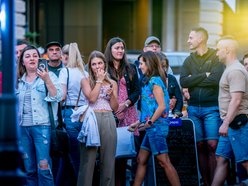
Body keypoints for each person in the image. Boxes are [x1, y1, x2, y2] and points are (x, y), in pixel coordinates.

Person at [180, 27, 224, 186]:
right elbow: (183, 81)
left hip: (211, 108)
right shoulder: (188, 60)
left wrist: (194, 79)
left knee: (212, 145)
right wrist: (204, 75)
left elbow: (215, 79)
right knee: (199, 145)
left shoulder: (215, 56)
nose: (188, 41)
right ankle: (205, 183)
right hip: (193, 109)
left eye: (191, 38)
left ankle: (214, 183)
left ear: (200, 39)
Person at [131, 51, 180, 186]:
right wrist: (138, 123)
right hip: (151, 127)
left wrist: (149, 122)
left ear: (149, 63)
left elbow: (162, 106)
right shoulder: (148, 80)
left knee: (164, 162)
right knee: (141, 159)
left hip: (156, 128)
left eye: (141, 63)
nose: (139, 66)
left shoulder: (155, 81)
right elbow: (149, 108)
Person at [16, 45, 63, 185]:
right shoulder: (18, 81)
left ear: (40, 59)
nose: (32, 58)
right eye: (28, 56)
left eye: (35, 56)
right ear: (22, 61)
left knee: (43, 168)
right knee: (29, 169)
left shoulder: (49, 76)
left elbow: (58, 97)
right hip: (23, 128)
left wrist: (47, 80)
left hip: (42, 127)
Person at [77, 50, 118, 186]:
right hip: (91, 119)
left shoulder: (112, 82)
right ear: (90, 67)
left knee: (108, 160)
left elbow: (115, 107)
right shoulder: (85, 81)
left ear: (105, 65)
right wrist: (99, 81)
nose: (97, 66)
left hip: (108, 118)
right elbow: (92, 98)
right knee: (88, 160)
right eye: (94, 64)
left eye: (100, 63)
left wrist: (111, 94)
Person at [211, 37, 248, 186]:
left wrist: (225, 123)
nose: (217, 53)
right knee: (221, 158)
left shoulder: (236, 70)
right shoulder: (230, 69)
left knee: (245, 161)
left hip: (237, 123)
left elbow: (236, 100)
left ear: (228, 50)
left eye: (219, 49)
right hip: (231, 123)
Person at [104, 37, 140, 186]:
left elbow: (137, 91)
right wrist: (115, 108)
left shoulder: (130, 67)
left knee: (126, 153)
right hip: (108, 113)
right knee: (110, 155)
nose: (120, 51)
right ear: (110, 50)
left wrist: (125, 104)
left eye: (122, 48)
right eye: (116, 48)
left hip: (128, 112)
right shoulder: (104, 67)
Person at [58, 43, 88, 185]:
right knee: (79, 155)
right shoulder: (85, 73)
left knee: (74, 156)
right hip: (84, 114)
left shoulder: (65, 72)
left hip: (69, 113)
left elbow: (62, 96)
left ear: (66, 56)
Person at [157, 52, 183, 117]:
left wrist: (176, 112)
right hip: (155, 116)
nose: (163, 69)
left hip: (171, 115)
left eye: (165, 66)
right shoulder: (151, 80)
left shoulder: (171, 78)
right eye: (160, 67)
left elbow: (179, 99)